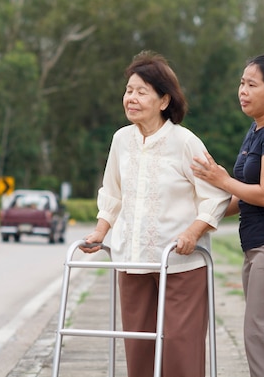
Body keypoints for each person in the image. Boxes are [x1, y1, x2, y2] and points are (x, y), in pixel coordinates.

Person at [81, 50, 231, 377]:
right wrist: (100, 231)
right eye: (128, 90)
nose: (131, 98)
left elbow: (216, 196)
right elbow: (112, 193)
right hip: (132, 260)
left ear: (164, 100)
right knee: (138, 346)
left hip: (179, 262)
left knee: (180, 345)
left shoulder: (185, 142)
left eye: (141, 92)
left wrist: (193, 233)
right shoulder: (121, 140)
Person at [191, 54, 264, 377]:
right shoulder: (256, 131)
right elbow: (242, 197)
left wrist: (222, 180)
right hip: (257, 247)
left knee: (261, 336)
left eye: (251, 84)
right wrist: (201, 218)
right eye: (242, 83)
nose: (242, 90)